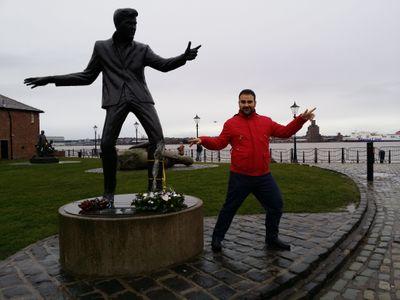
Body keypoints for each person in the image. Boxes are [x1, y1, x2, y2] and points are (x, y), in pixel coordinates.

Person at [24, 8, 201, 206]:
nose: (134, 28)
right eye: (129, 24)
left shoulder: (142, 49)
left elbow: (163, 65)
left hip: (141, 98)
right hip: (116, 100)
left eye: (135, 24)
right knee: (107, 144)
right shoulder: (102, 48)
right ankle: (109, 192)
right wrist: (51, 79)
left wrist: (183, 57)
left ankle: (156, 189)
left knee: (157, 139)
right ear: (118, 24)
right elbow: (87, 76)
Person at [190, 89, 316, 252]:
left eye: (249, 102)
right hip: (240, 177)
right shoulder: (231, 124)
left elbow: (285, 132)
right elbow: (220, 142)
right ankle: (217, 239)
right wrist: (203, 139)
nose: (246, 105)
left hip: (263, 176)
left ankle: (272, 239)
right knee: (229, 208)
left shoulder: (266, 121)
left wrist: (300, 120)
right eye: (243, 102)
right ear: (239, 104)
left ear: (255, 103)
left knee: (276, 205)